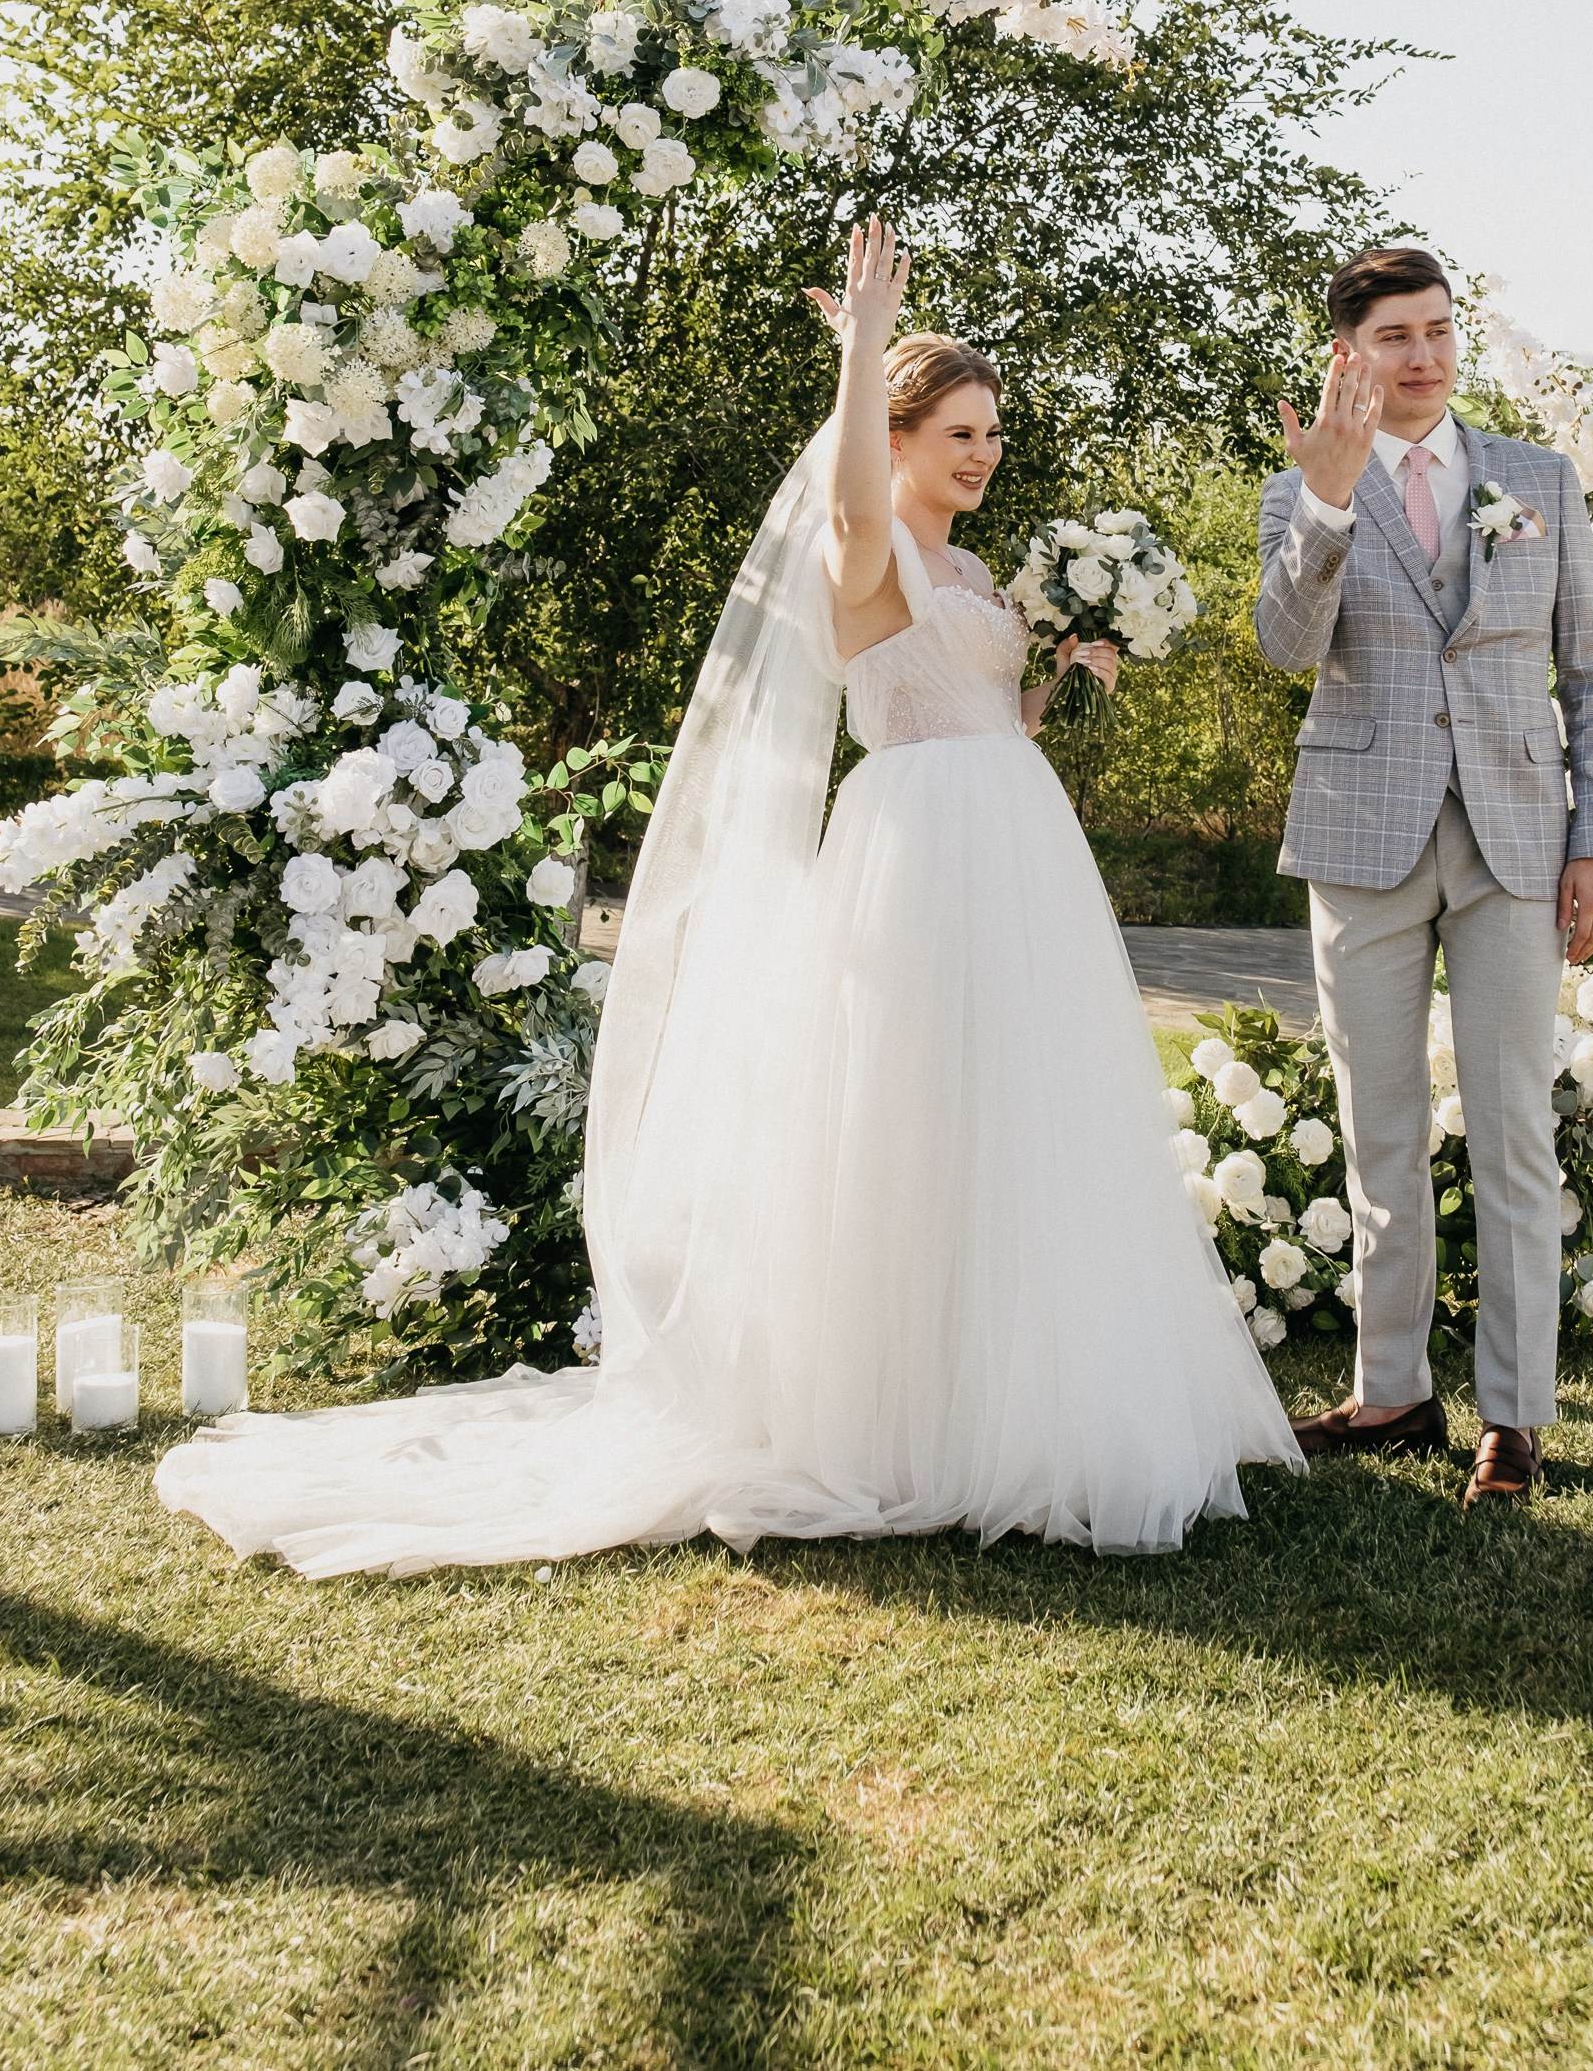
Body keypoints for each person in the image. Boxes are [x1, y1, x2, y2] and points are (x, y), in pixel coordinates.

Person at [157, 220, 1300, 1574]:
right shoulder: (858, 556)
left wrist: (1067, 674)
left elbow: (984, 711)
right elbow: (862, 530)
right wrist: (866, 345)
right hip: (917, 853)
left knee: (1014, 1106)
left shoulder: (988, 576)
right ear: (896, 436)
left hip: (1015, 840)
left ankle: (1023, 1388)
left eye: (994, 434)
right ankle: (908, 1417)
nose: (984, 455)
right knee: (913, 1109)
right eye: (958, 434)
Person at [1255, 246, 1593, 1507]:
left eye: (1435, 329)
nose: (1420, 355)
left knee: (1512, 1132)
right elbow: (1282, 647)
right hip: (1362, 839)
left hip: (1517, 844)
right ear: (1346, 355)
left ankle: (1514, 1418)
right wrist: (1324, 501)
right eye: (1393, 336)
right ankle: (1393, 1389)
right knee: (1381, 1128)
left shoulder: (1536, 482)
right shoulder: (1304, 485)